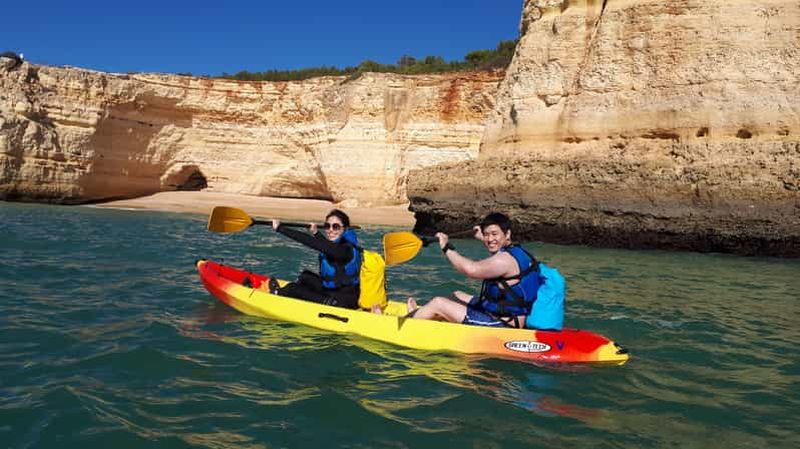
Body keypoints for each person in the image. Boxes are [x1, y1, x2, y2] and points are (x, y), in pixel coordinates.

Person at [408, 212, 550, 328]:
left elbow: (471, 270)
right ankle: (425, 316)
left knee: (438, 303)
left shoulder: (504, 260)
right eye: (487, 234)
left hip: (503, 323)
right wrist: (483, 238)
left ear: (507, 234)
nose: (490, 239)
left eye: (494, 234)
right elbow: (496, 254)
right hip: (507, 314)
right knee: (456, 294)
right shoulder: (517, 251)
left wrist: (446, 247)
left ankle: (406, 323)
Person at [265, 209, 361, 309]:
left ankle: (277, 293)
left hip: (341, 301)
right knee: (305, 276)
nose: (330, 230)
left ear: (344, 229)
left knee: (292, 288)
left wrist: (280, 229)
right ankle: (300, 297)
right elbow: (326, 246)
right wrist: (316, 233)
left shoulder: (343, 250)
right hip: (337, 291)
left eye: (335, 227)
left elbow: (313, 243)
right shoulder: (343, 245)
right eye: (327, 226)